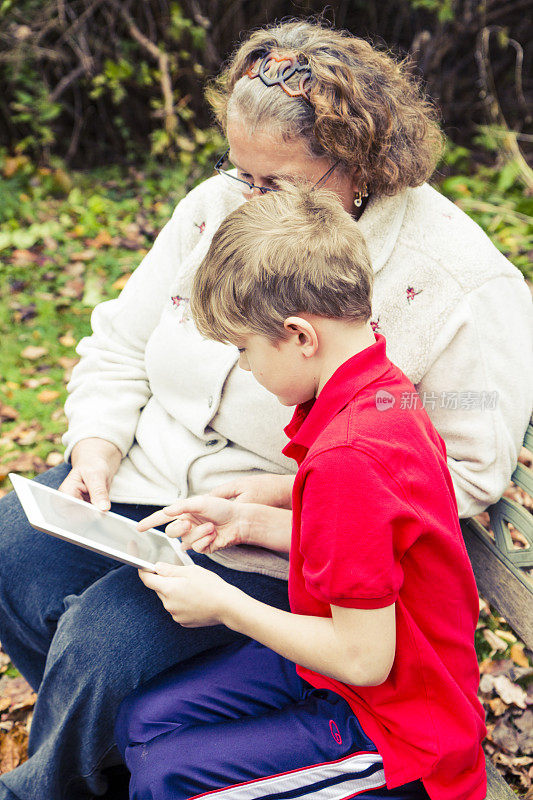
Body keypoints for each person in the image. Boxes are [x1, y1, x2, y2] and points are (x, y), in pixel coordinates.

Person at [0, 18, 530, 800]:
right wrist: (96, 448)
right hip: (168, 487)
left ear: (355, 162)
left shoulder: (455, 282)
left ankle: (53, 785)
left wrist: (288, 498)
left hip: (295, 542)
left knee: (104, 642)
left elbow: (453, 474)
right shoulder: (221, 202)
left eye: (272, 182)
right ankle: (114, 747)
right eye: (238, 174)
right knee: (14, 550)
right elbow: (119, 341)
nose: (242, 198)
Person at [115, 183, 487, 800]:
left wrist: (224, 602)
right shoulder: (382, 386)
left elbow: (364, 658)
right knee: (143, 721)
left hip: (403, 735)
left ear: (299, 335)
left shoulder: (349, 455)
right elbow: (378, 546)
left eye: (244, 349)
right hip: (365, 675)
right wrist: (253, 522)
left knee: (166, 777)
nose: (247, 369)